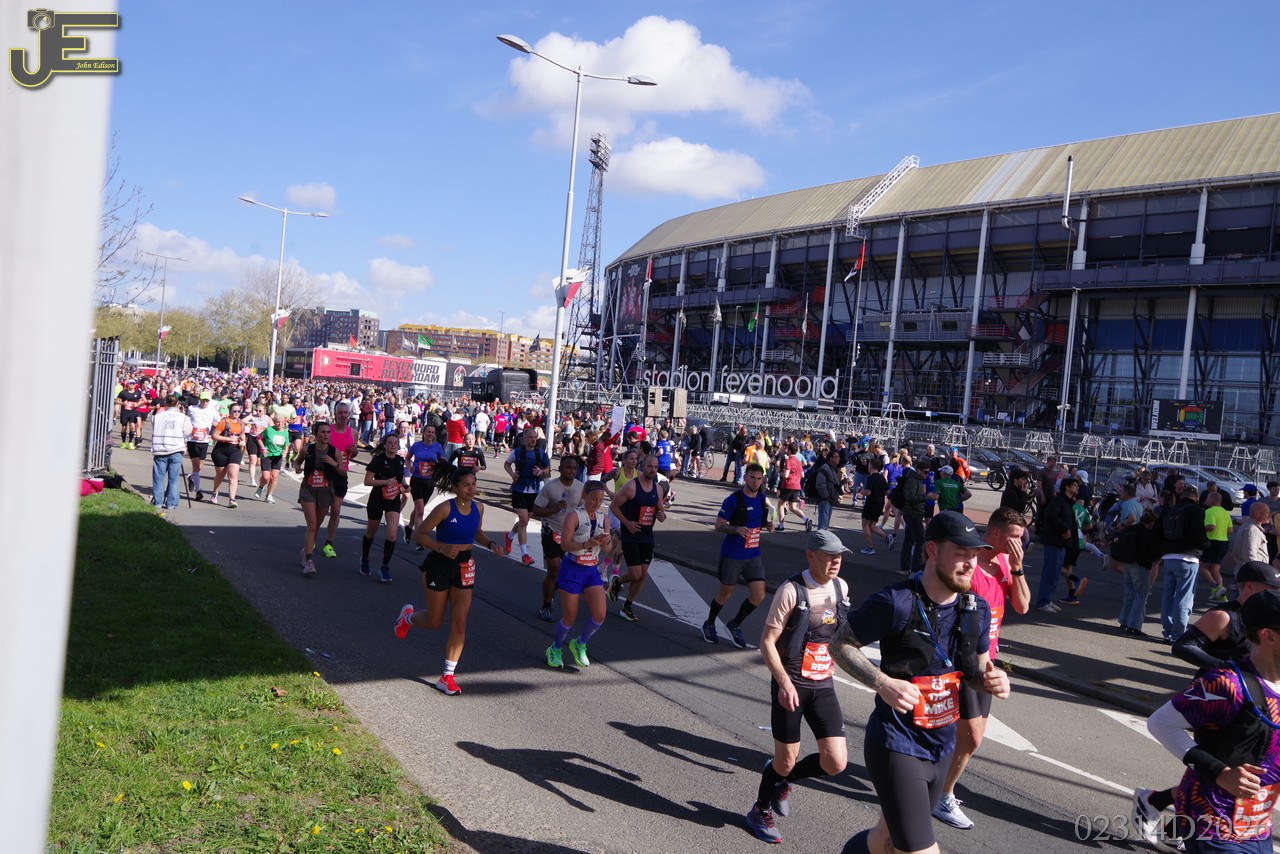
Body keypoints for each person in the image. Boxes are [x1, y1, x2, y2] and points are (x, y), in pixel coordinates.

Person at [832, 511, 1010, 854]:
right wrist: (882, 682)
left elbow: (976, 673)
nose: (970, 564)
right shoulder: (896, 602)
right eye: (961, 553)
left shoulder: (976, 609)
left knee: (884, 842)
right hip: (897, 744)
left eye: (974, 555)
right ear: (932, 551)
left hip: (942, 746)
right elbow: (840, 644)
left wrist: (991, 681)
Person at [1144, 587, 1280, 853]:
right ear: (1269, 635)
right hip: (1213, 821)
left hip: (1256, 826)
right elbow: (1160, 723)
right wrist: (1221, 773)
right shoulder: (1228, 684)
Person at [744, 530, 852, 844]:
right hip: (791, 685)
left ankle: (783, 781)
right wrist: (783, 683)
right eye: (830, 555)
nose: (836, 561)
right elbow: (767, 642)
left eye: (839, 556)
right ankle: (760, 809)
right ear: (811, 555)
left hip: (823, 684)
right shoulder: (791, 591)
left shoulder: (841, 587)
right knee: (785, 759)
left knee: (835, 762)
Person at [934, 507, 1031, 830]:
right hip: (960, 661)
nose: (1019, 543)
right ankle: (942, 795)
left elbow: (1022, 605)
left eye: (1021, 538)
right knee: (971, 738)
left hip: (986, 661)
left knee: (965, 738)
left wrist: (1017, 569)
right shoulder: (971, 566)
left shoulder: (1006, 563)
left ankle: (935, 785)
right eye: (1014, 537)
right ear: (995, 533)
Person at [396, 471, 506, 696]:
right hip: (439, 564)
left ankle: (447, 676)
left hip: (465, 565)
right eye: (466, 485)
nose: (471, 489)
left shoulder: (479, 508)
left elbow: (476, 531)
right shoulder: (445, 509)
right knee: (434, 621)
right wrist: (441, 547)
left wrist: (491, 544)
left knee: (460, 621)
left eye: (474, 484)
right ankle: (407, 618)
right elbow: (420, 535)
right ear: (455, 487)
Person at [703, 463, 775, 649]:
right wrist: (736, 529)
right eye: (752, 478)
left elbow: (759, 521)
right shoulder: (733, 500)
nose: (756, 482)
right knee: (725, 593)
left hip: (753, 554)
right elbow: (719, 525)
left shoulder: (761, 498)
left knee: (759, 594)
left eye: (759, 479)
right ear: (745, 478)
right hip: (733, 554)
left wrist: (768, 525)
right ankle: (709, 623)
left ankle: (735, 624)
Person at [545, 480, 613, 669]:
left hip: (591, 570)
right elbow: (564, 545)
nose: (597, 504)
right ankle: (555, 648)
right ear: (585, 496)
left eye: (600, 500)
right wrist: (586, 544)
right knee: (570, 617)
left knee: (599, 615)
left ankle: (580, 643)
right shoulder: (574, 516)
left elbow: (608, 550)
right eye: (593, 499)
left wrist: (606, 541)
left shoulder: (603, 519)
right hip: (572, 569)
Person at [607, 453, 666, 623]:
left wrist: (661, 515)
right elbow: (614, 506)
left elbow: (660, 512)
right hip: (631, 534)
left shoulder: (658, 489)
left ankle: (627, 606)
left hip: (647, 536)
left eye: (655, 467)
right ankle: (617, 582)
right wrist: (627, 523)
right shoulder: (631, 486)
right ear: (643, 466)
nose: (652, 470)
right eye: (649, 466)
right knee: (635, 572)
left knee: (642, 575)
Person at [531, 456, 584, 622]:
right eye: (568, 468)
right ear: (560, 469)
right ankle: (546, 607)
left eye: (574, 468)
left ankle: (551, 591)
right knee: (554, 569)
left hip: (569, 535)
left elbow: (583, 510)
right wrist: (555, 508)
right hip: (551, 531)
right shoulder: (550, 487)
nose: (571, 471)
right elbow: (536, 510)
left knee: (564, 573)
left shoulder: (580, 487)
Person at [1160, 485, 1209, 643]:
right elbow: (1198, 534)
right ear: (1196, 498)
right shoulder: (1196, 511)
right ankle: (1178, 634)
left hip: (1168, 556)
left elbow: (1158, 532)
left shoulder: (1171, 510)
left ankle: (1167, 631)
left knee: (1168, 595)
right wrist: (1205, 546)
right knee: (1184, 596)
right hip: (1188, 557)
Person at [295, 421, 342, 577]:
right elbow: (297, 461)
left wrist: (334, 464)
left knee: (317, 526)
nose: (326, 435)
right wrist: (297, 467)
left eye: (328, 432)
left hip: (325, 490)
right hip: (308, 489)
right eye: (322, 432)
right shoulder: (307, 449)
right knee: (312, 525)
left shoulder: (334, 452)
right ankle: (309, 561)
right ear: (316, 434)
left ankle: (306, 550)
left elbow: (343, 472)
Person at [361, 433, 406, 582]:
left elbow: (400, 478)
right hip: (377, 499)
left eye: (395, 443)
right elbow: (367, 481)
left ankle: (384, 567)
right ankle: (365, 558)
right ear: (385, 445)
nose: (393, 445)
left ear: (398, 446)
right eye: (390, 442)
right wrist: (385, 482)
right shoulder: (378, 460)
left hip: (393, 499)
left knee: (392, 535)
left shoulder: (400, 461)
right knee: (371, 532)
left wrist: (406, 485)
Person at [318, 401, 359, 559]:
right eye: (340, 413)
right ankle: (313, 535)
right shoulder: (328, 431)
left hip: (341, 474)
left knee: (335, 510)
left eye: (345, 413)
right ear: (335, 415)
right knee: (322, 510)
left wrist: (354, 452)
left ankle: (329, 543)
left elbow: (352, 455)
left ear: (349, 415)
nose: (343, 415)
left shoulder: (353, 433)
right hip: (325, 474)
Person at [504, 428, 550, 566]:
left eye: (535, 437)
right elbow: (507, 464)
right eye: (530, 437)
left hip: (535, 490)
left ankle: (509, 536)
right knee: (524, 521)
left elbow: (548, 469)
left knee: (525, 521)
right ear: (524, 439)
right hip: (519, 489)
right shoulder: (517, 452)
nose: (533, 440)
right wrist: (512, 474)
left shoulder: (541, 453)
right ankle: (524, 554)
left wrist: (541, 472)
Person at [1114, 510, 1163, 637]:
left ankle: (1124, 621)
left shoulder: (1131, 529)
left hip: (1127, 563)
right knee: (1141, 596)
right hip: (1141, 564)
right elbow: (1155, 552)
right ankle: (1134, 625)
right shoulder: (1148, 533)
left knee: (1129, 594)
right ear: (1151, 523)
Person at [1034, 478, 1080, 613]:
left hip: (1061, 542)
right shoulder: (1058, 501)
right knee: (1050, 572)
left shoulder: (1069, 502)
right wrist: (1064, 528)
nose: (1077, 488)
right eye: (1074, 485)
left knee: (1055, 573)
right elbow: (1050, 516)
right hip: (1054, 541)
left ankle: (1047, 599)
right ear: (1067, 487)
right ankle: (1043, 601)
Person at [149, 394, 191, 515]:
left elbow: (154, 427)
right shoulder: (183, 417)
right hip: (176, 449)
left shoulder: (157, 416)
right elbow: (188, 432)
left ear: (165, 403)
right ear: (177, 404)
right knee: (173, 478)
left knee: (158, 477)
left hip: (160, 449)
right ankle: (171, 503)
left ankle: (158, 502)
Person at [405, 424, 445, 547]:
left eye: (432, 432)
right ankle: (419, 540)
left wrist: (439, 471)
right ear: (423, 433)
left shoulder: (438, 447)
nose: (430, 434)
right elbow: (407, 459)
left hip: (429, 482)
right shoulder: (416, 445)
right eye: (428, 432)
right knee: (420, 511)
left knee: (418, 509)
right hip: (417, 480)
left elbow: (442, 462)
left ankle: (409, 527)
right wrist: (410, 467)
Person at [895, 455, 928, 577]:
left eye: (928, 472)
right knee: (921, 541)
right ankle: (915, 569)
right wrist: (926, 497)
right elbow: (910, 497)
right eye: (925, 472)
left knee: (909, 540)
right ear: (918, 470)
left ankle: (905, 567)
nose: (926, 475)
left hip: (913, 513)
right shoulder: (913, 481)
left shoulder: (916, 480)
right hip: (913, 513)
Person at [208, 402, 246, 507]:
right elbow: (214, 435)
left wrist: (243, 441)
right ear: (230, 412)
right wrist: (228, 438)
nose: (237, 413)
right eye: (234, 411)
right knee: (220, 475)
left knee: (233, 476)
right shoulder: (224, 422)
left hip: (235, 450)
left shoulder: (241, 423)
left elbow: (242, 435)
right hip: (221, 450)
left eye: (239, 411)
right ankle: (215, 493)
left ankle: (231, 500)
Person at [186, 390, 218, 500]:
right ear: (199, 400)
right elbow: (186, 421)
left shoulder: (212, 411)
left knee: (200, 467)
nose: (204, 403)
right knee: (196, 466)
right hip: (192, 440)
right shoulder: (192, 408)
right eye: (203, 400)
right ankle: (198, 491)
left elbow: (220, 423)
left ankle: (191, 477)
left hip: (204, 441)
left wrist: (213, 433)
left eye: (206, 401)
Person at [1202, 492, 1234, 604]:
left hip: (1213, 542)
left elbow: (1211, 527)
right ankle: (1220, 596)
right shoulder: (1225, 512)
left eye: (1207, 498)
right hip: (1224, 542)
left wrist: (1200, 527)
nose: (1206, 500)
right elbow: (1230, 530)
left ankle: (1216, 586)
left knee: (1200, 565)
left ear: (1213, 500)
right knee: (1215, 569)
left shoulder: (1209, 511)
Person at [858, 458, 892, 555]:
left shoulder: (871, 478)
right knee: (872, 525)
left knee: (865, 524)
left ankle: (870, 547)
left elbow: (868, 492)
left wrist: (859, 490)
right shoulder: (882, 478)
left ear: (871, 466)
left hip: (871, 503)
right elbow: (887, 491)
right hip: (880, 503)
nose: (868, 466)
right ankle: (886, 537)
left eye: (869, 464)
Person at [255, 413, 289, 504]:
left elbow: (286, 444)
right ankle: (261, 487)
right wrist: (263, 448)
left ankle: (269, 495)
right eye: (278, 422)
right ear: (274, 422)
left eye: (282, 422)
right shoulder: (269, 429)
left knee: (274, 477)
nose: (280, 424)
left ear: (284, 422)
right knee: (266, 477)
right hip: (267, 455)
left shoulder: (285, 432)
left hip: (278, 456)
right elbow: (259, 438)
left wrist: (285, 452)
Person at [777, 442, 810, 533]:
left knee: (780, 504)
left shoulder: (789, 461)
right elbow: (802, 475)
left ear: (789, 451)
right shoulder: (798, 462)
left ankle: (781, 526)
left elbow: (786, 475)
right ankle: (806, 519)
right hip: (796, 486)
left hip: (788, 485)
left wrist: (779, 471)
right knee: (792, 507)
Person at [812, 448, 843, 532]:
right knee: (823, 526)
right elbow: (820, 484)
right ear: (830, 458)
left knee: (825, 525)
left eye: (838, 457)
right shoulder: (825, 468)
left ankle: (821, 538)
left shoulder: (834, 468)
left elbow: (833, 483)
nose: (838, 458)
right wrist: (826, 497)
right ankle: (819, 539)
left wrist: (842, 482)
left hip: (830, 499)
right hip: (825, 500)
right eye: (836, 457)